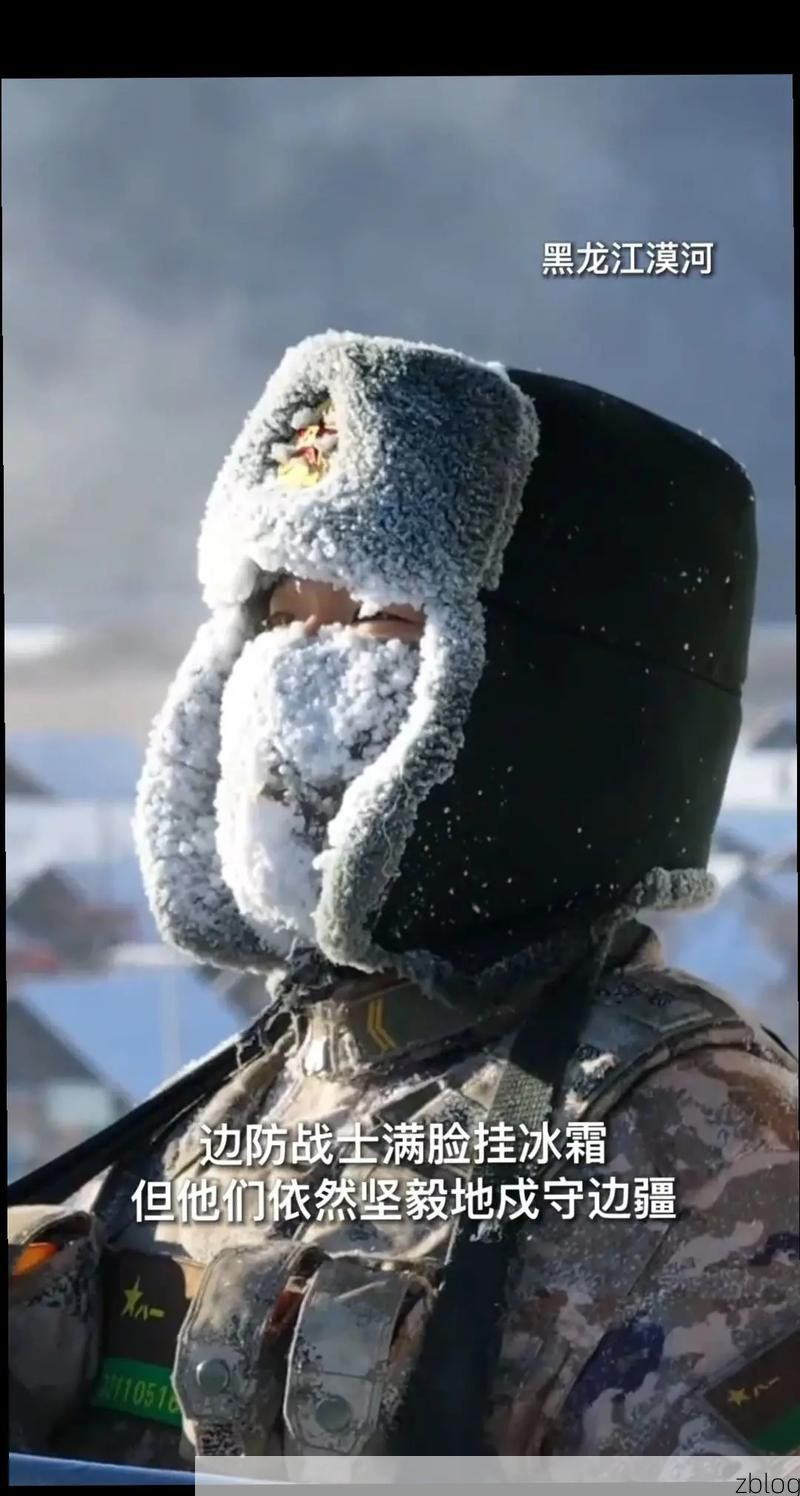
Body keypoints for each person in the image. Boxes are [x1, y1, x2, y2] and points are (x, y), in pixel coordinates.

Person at [9, 331, 798, 1471]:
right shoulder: (230, 1100)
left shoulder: (701, 1150)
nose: (293, 669)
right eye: (281, 611)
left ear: (545, 692)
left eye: (377, 619)